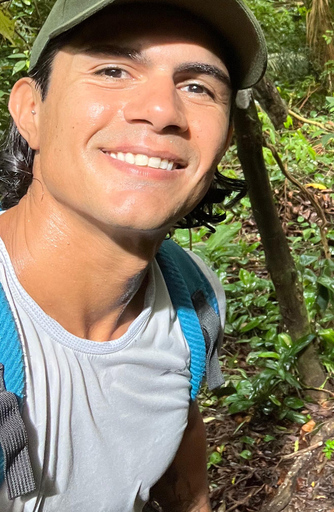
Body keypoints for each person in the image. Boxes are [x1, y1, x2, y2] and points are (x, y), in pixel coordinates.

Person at [0, 0, 267, 510]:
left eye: (197, 87)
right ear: (31, 111)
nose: (164, 111)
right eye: (113, 70)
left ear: (223, 142)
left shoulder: (194, 300)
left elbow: (181, 472)